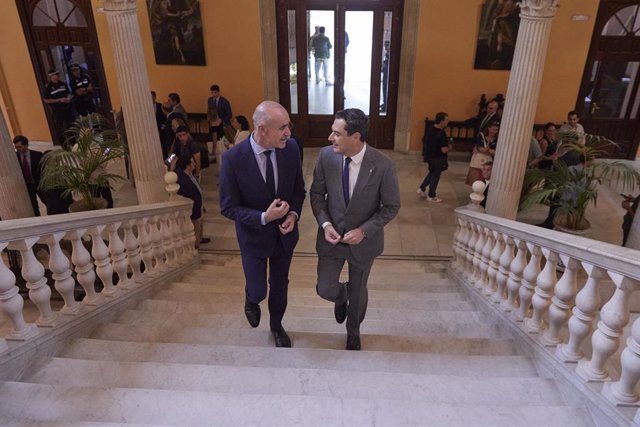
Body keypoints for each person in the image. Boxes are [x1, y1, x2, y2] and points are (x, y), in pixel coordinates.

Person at [310, 108, 400, 351]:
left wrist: (364, 230)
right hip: (331, 240)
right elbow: (317, 194)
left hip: (363, 243)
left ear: (356, 137)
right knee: (325, 288)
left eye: (336, 134)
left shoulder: (382, 165)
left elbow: (391, 206)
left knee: (359, 293)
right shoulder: (326, 157)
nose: (330, 138)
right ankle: (341, 295)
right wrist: (325, 223)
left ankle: (353, 332)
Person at [219, 101, 305, 348]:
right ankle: (250, 298)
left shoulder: (291, 149)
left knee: (280, 285)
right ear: (262, 129)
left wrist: (293, 215)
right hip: (253, 239)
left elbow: (299, 190)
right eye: (282, 128)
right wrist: (264, 218)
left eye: (288, 126)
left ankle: (277, 326)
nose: (288, 133)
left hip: (284, 237)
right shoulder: (233, 159)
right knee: (259, 291)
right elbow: (228, 207)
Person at [174, 154, 209, 247]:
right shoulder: (182, 180)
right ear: (187, 165)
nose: (195, 164)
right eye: (193, 162)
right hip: (193, 210)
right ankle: (196, 245)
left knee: (200, 225)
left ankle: (200, 239)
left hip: (198, 206)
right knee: (195, 228)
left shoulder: (190, 175)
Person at [417, 112, 452, 202]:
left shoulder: (430, 129)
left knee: (432, 173)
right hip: (438, 158)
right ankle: (431, 196)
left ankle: (422, 188)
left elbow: (425, 140)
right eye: (446, 120)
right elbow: (443, 150)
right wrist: (450, 147)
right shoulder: (441, 133)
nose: (448, 122)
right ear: (441, 121)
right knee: (435, 176)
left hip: (430, 156)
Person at [13, 135, 44, 216]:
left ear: (26, 145)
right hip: (27, 186)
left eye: (20, 147)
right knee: (33, 206)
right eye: (16, 147)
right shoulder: (14, 157)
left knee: (47, 201)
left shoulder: (37, 155)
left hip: (39, 184)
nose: (17, 149)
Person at [43, 69, 74, 146]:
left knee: (70, 126)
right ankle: (64, 145)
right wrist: (59, 100)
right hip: (57, 110)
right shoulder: (48, 87)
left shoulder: (62, 84)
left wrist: (68, 98)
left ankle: (73, 143)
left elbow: (69, 93)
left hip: (67, 108)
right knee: (60, 129)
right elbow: (46, 100)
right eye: (55, 75)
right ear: (51, 77)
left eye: (57, 74)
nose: (57, 76)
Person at [465, 121, 498, 185]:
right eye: (493, 129)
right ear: (489, 128)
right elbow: (478, 147)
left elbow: (495, 152)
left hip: (488, 163)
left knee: (485, 182)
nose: (494, 131)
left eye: (496, 130)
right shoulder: (481, 136)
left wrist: (486, 150)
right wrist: (487, 150)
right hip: (477, 163)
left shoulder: (497, 140)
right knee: (475, 181)